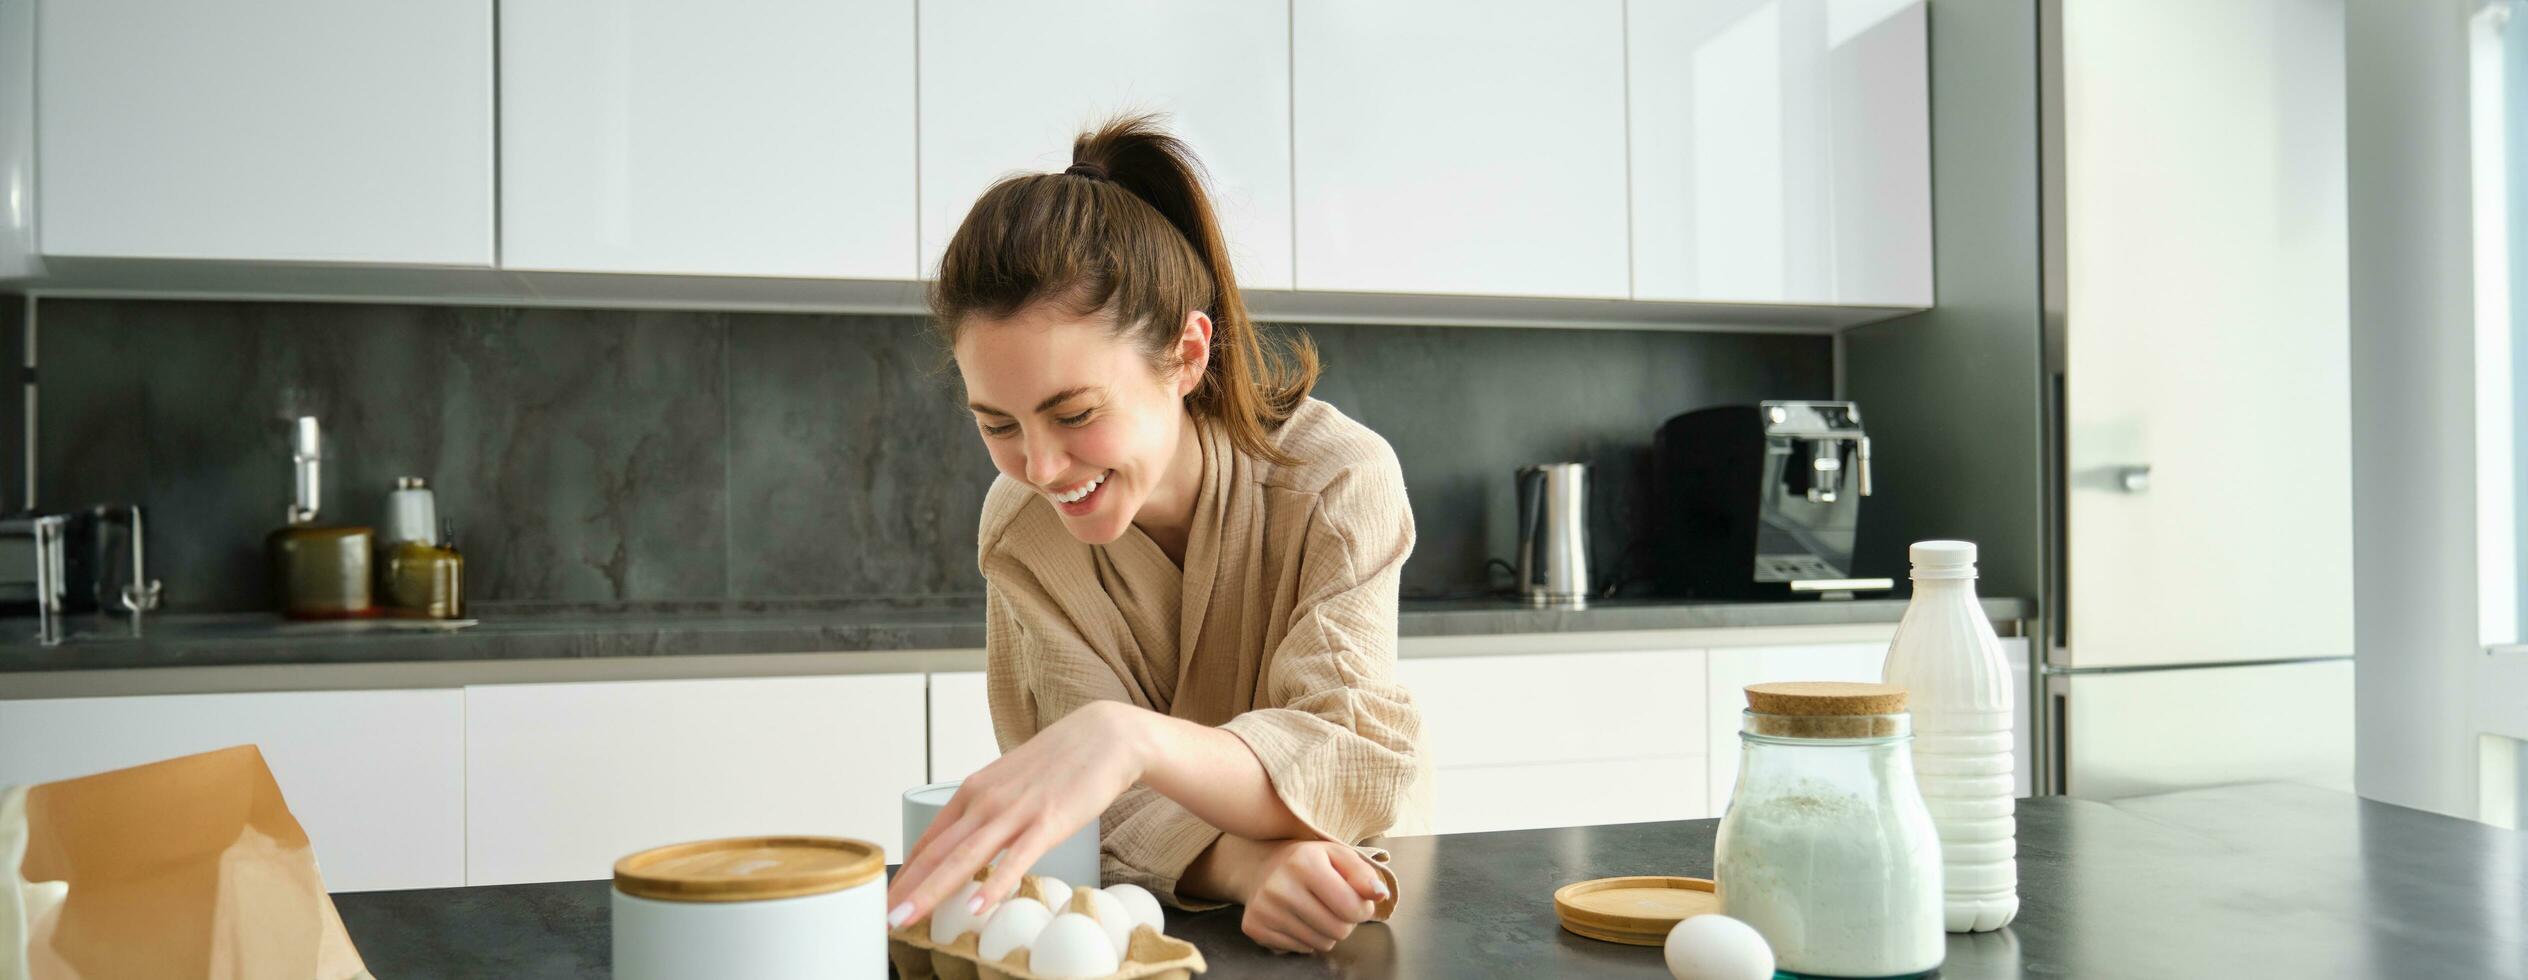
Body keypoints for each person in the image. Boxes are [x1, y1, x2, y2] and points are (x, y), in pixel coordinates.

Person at [882, 114, 1431, 955]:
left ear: (1187, 355)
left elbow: (1346, 762)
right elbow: (1085, 812)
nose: (1040, 466)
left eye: (1074, 414)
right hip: (1151, 930)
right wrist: (1245, 864)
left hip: (1350, 912)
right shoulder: (1023, 531)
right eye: (997, 424)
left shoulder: (1336, 483)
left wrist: (1126, 738)